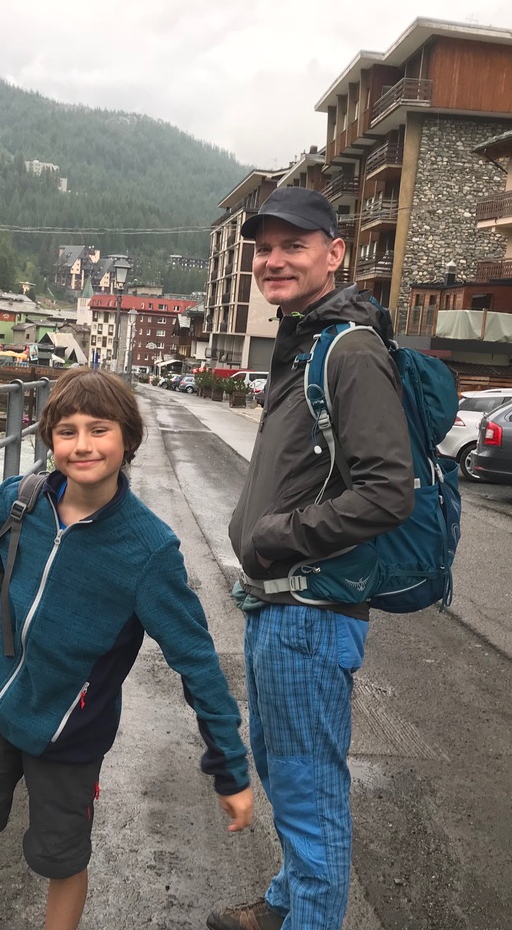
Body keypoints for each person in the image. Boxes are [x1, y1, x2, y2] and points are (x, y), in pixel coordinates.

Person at [0, 367, 254, 930]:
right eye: (67, 431)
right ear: (50, 440)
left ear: (128, 439)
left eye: (99, 429)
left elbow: (196, 659)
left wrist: (228, 767)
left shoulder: (148, 550)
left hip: (69, 732)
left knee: (60, 861)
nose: (82, 445)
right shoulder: (21, 500)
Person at [210, 187, 414, 930]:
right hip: (281, 602)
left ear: (335, 253)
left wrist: (276, 538)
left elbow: (390, 491)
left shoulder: (349, 348)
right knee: (282, 767)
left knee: (309, 789)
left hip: (310, 607)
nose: (274, 260)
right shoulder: (305, 340)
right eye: (264, 248)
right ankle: (285, 903)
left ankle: (308, 918)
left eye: (294, 246)